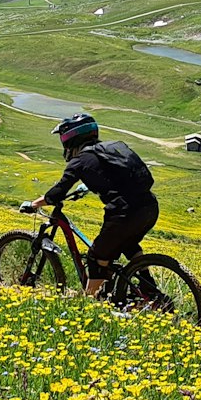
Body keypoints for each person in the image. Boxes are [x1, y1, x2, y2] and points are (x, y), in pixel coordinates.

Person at [24, 114, 158, 296]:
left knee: (96, 258)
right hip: (149, 206)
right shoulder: (111, 148)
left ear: (71, 138)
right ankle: (148, 287)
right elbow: (114, 176)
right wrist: (86, 186)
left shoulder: (79, 160)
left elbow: (57, 193)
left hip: (124, 214)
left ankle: (89, 303)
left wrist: (34, 204)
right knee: (128, 243)